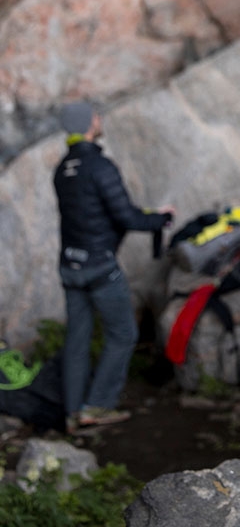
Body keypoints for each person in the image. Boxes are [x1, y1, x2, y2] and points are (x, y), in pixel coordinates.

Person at [53, 100, 174, 432]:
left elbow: (89, 216)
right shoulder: (100, 166)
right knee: (122, 334)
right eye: (95, 115)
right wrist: (161, 217)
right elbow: (125, 216)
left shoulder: (63, 169)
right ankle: (98, 406)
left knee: (76, 340)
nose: (99, 118)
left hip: (70, 266)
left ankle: (72, 412)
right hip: (99, 267)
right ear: (90, 123)